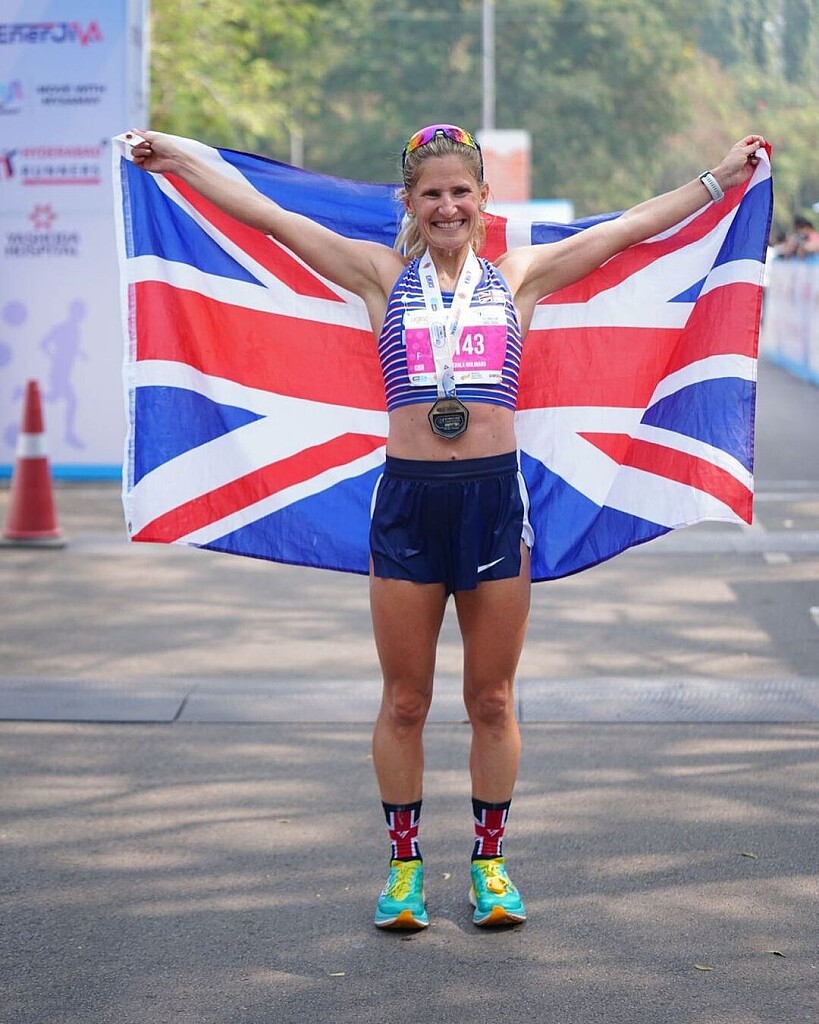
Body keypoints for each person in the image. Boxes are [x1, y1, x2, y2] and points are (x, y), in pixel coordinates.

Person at [129, 124, 765, 930]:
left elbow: (628, 229)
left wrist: (718, 179)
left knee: (491, 699)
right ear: (410, 202)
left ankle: (489, 866)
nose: (447, 206)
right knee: (405, 701)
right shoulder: (378, 276)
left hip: (493, 502)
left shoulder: (519, 277)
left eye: (461, 191)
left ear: (483, 200)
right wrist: (178, 160)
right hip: (408, 504)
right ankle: (403, 870)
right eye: (431, 193)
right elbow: (268, 217)